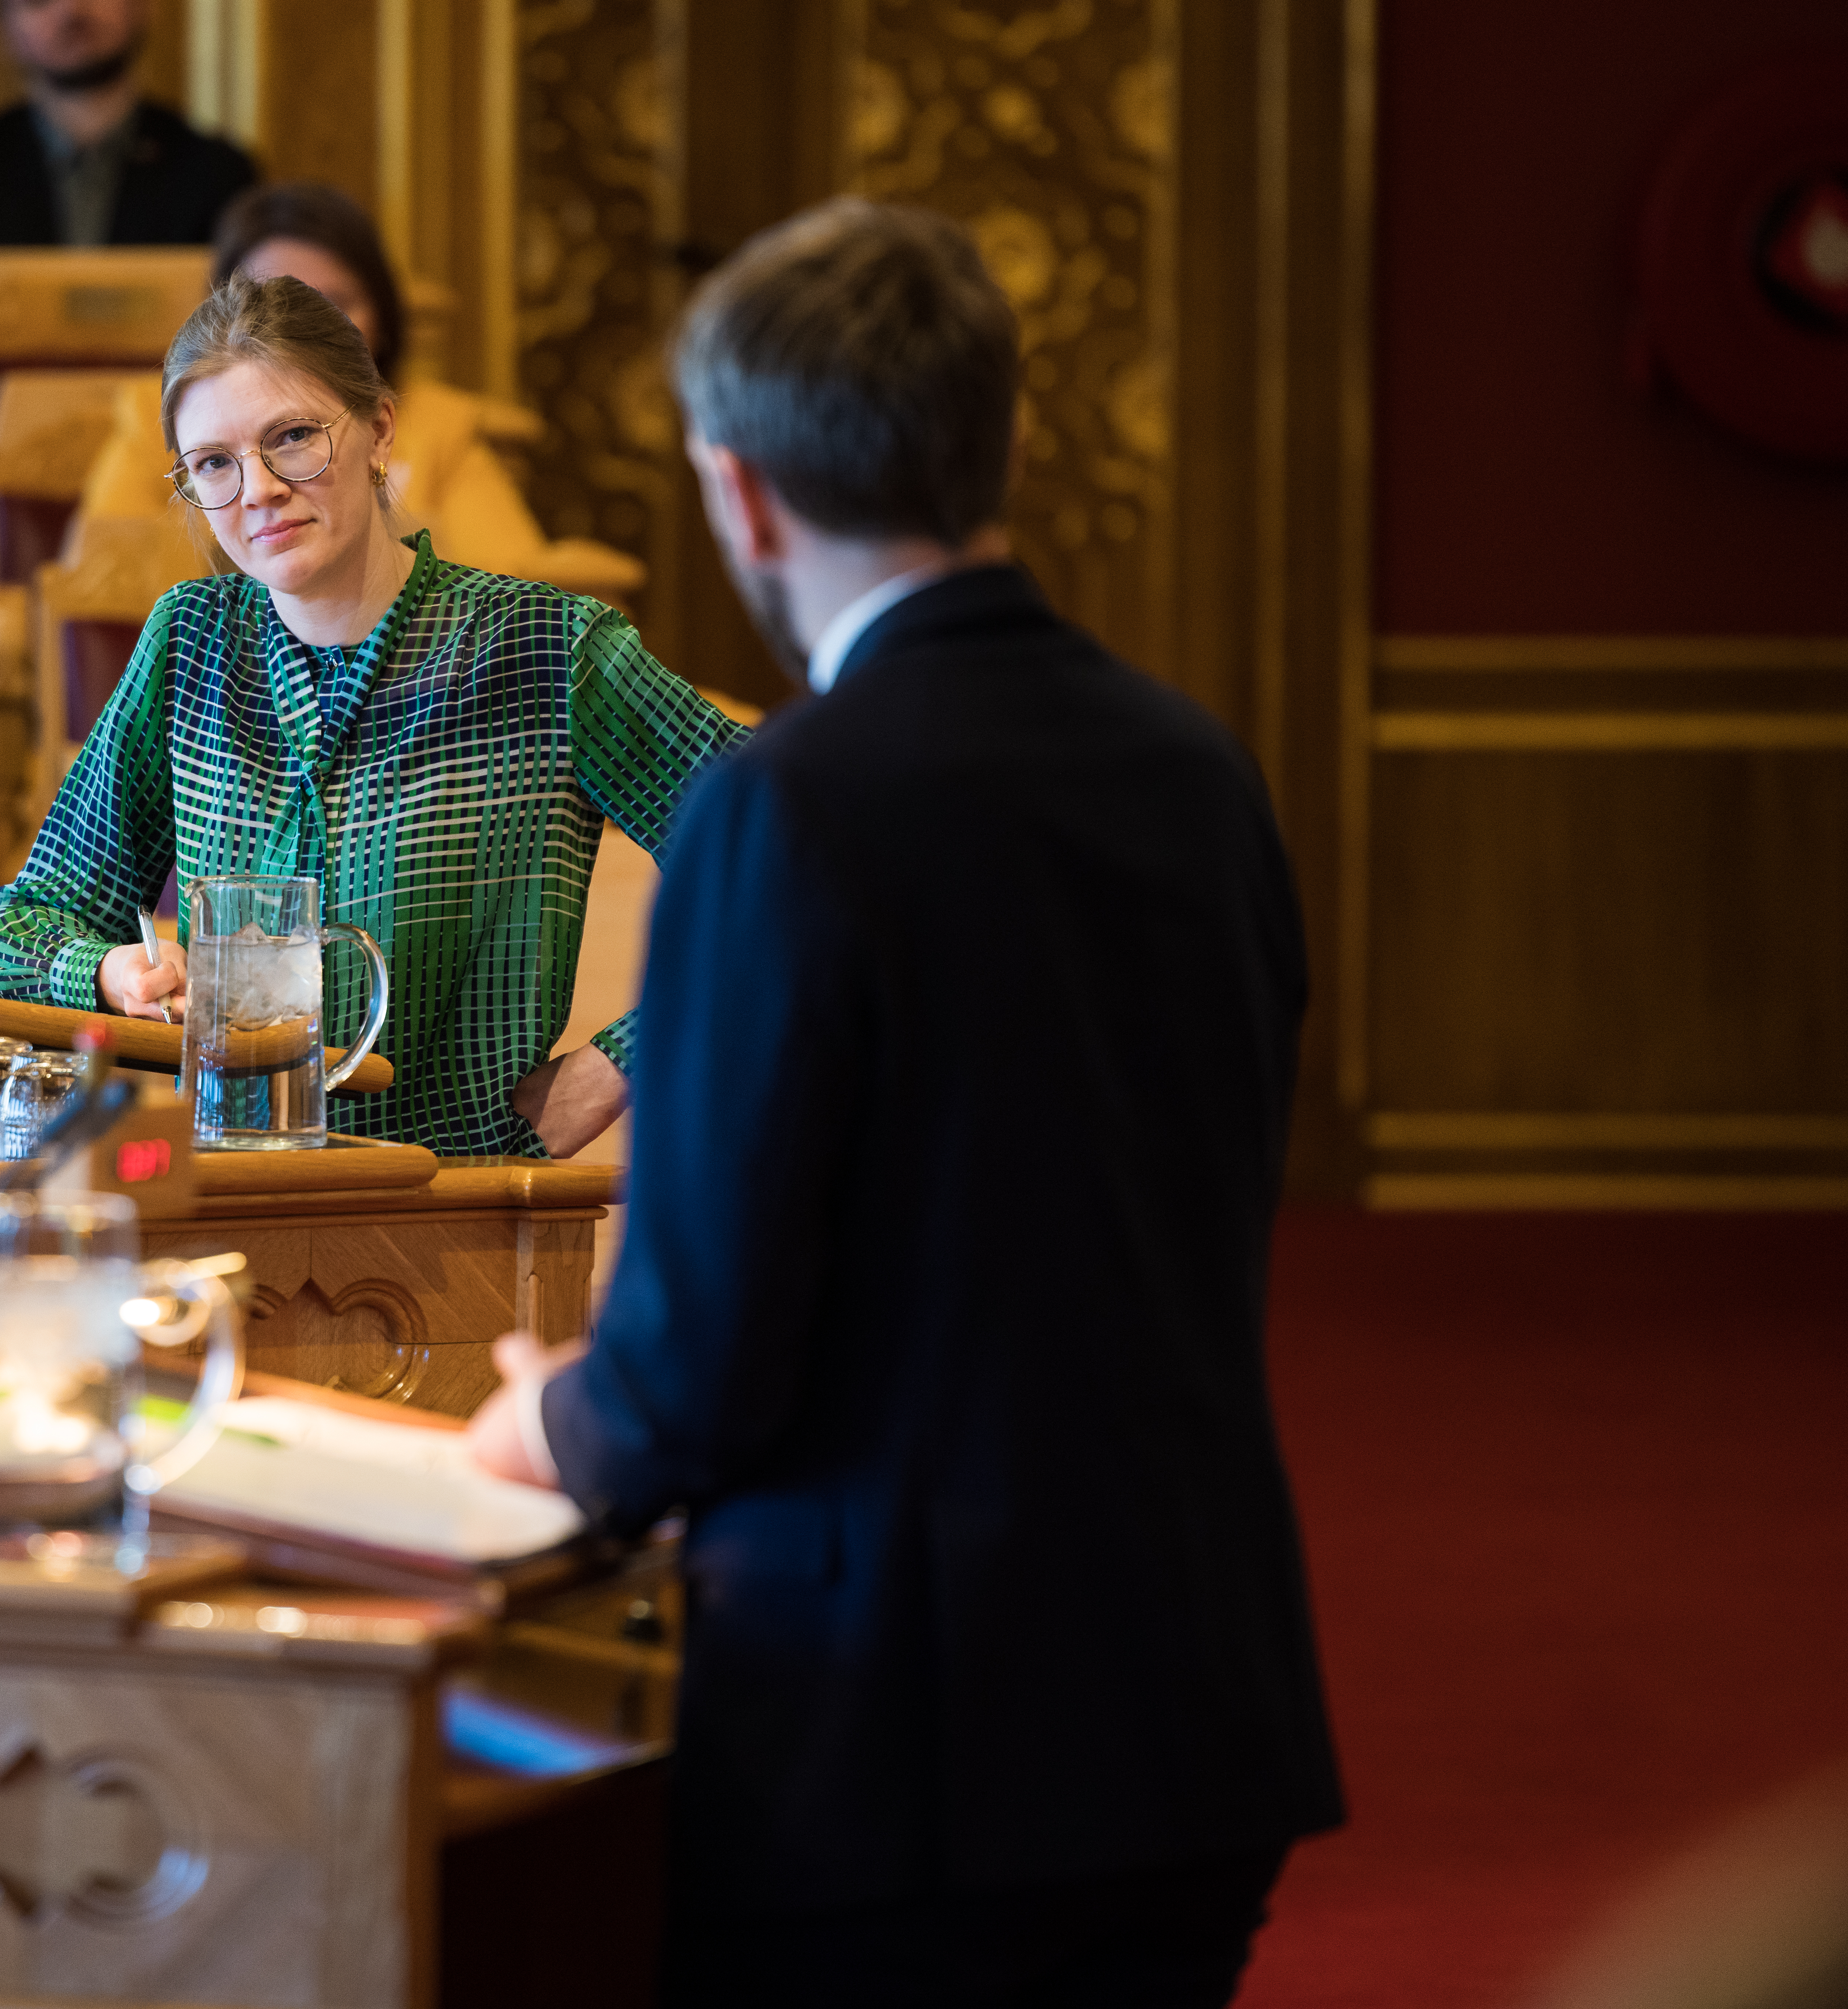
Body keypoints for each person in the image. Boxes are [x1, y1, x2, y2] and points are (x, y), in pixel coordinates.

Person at [464, 199, 1345, 2004]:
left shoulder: (788, 806)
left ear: (739, 495)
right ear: (1003, 440)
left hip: (902, 1736)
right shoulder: (1200, 771)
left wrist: (549, 1420)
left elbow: (700, 1369)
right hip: (1189, 1691)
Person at [0, 275, 746, 1158]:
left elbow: (803, 860)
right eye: (213, 463)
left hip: (461, 1197)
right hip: (228, 1189)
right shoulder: (190, 642)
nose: (258, 489)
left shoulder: (545, 648)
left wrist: (610, 1070)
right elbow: (3, 946)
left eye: (292, 438)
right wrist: (107, 969)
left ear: (380, 430)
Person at [76, 182, 622, 592]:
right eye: (273, 305)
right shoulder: (165, 420)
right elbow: (102, 579)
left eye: (332, 305)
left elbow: (504, 582)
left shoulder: (441, 426)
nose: (303, 333)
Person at [0, 0, 257, 313]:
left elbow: (244, 331)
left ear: (145, 8)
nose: (71, 10)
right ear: (4, 27)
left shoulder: (219, 173)